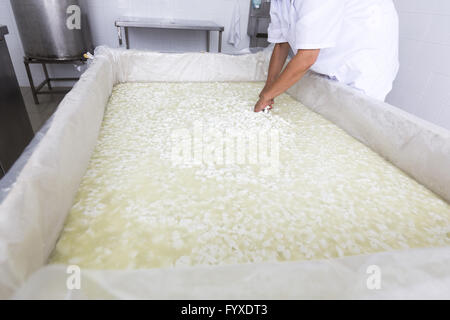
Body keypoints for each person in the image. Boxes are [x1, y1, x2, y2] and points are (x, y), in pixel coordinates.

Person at [254, 0, 399, 112]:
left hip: (361, 64)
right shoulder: (279, 2)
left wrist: (267, 96)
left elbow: (307, 57)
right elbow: (281, 44)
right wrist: (268, 89)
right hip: (330, 60)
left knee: (353, 126)